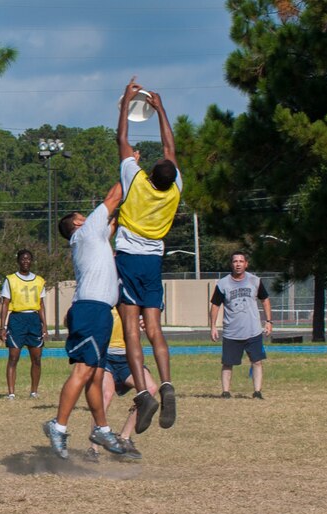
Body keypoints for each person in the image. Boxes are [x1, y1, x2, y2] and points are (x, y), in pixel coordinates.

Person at [114, 76, 181, 435]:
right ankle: (167, 384)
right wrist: (160, 109)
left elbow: (122, 139)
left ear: (150, 174)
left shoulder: (135, 179)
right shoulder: (174, 192)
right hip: (154, 262)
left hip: (127, 258)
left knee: (130, 331)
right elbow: (171, 149)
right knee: (155, 329)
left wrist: (127, 101)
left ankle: (143, 392)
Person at [43, 183, 127, 459]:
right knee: (83, 371)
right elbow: (114, 198)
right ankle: (58, 425)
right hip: (91, 310)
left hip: (99, 311)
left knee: (96, 375)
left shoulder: (95, 238)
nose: (88, 218)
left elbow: (114, 221)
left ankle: (101, 428)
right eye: (83, 216)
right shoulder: (87, 231)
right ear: (79, 224)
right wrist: (129, 166)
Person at [85, 308, 158, 462]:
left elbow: (152, 317)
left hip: (128, 357)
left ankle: (124, 437)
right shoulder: (105, 294)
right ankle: (93, 449)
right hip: (105, 355)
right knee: (106, 394)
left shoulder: (134, 297)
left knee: (150, 389)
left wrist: (147, 321)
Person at [210, 251, 273, 399]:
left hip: (253, 331)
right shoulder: (223, 283)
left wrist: (269, 321)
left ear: (246, 264)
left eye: (241, 261)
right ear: (231, 264)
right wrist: (213, 326)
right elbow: (215, 306)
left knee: (257, 361)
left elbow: (265, 300)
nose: (238, 264)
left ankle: (257, 392)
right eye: (235, 261)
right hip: (232, 332)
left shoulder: (255, 281)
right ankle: (225, 392)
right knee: (227, 363)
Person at [0, 249, 48, 399]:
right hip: (17, 320)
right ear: (18, 261)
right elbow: (5, 304)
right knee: (13, 357)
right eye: (23, 259)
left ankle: (34, 392)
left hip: (33, 320)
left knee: (37, 358)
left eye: (28, 259)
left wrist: (44, 324)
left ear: (31, 261)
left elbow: (41, 304)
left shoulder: (39, 280)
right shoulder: (10, 280)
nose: (25, 261)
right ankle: (11, 393)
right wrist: (2, 326)